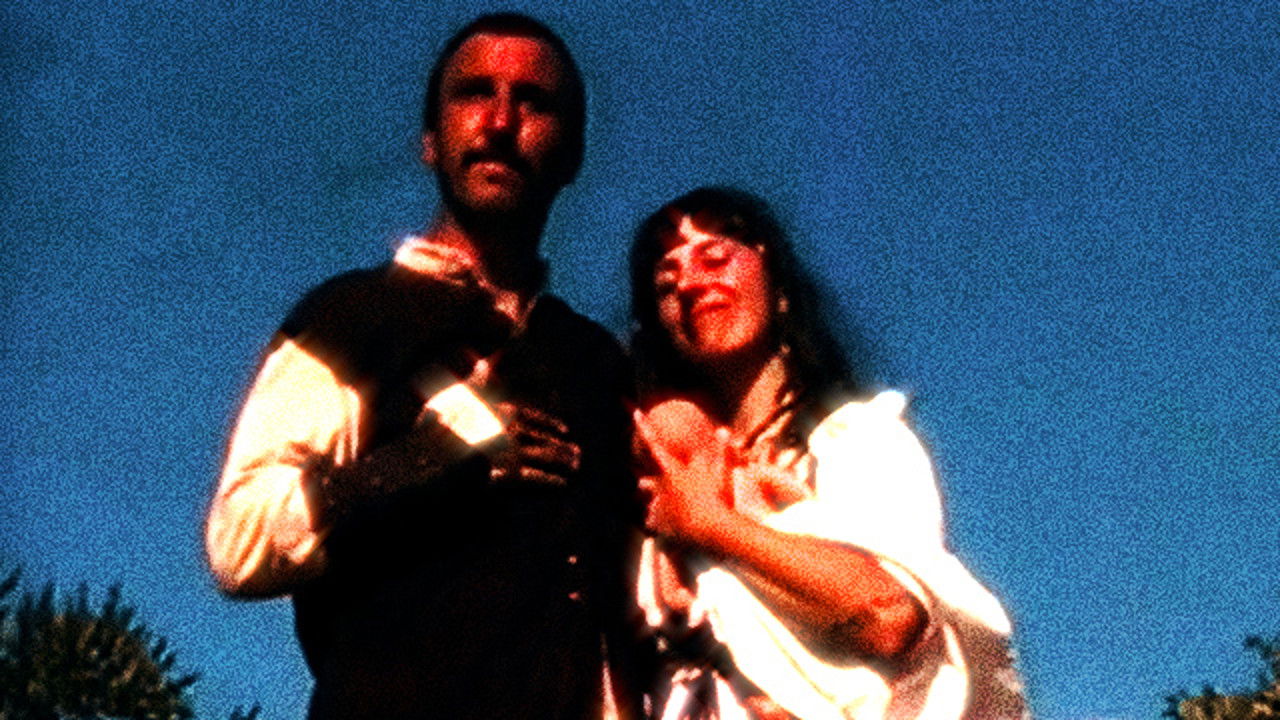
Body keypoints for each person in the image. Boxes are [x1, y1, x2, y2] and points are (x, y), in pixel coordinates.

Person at [205, 14, 642, 719]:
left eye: (534, 102)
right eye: (475, 93)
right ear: (431, 142)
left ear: (572, 154)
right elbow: (239, 539)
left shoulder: (596, 360)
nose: (500, 122)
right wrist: (425, 464)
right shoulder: (350, 317)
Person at [628, 187, 1025, 719]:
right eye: (666, 281)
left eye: (716, 258)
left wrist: (710, 526)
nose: (691, 283)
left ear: (779, 289)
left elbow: (888, 618)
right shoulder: (659, 481)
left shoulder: (858, 441)